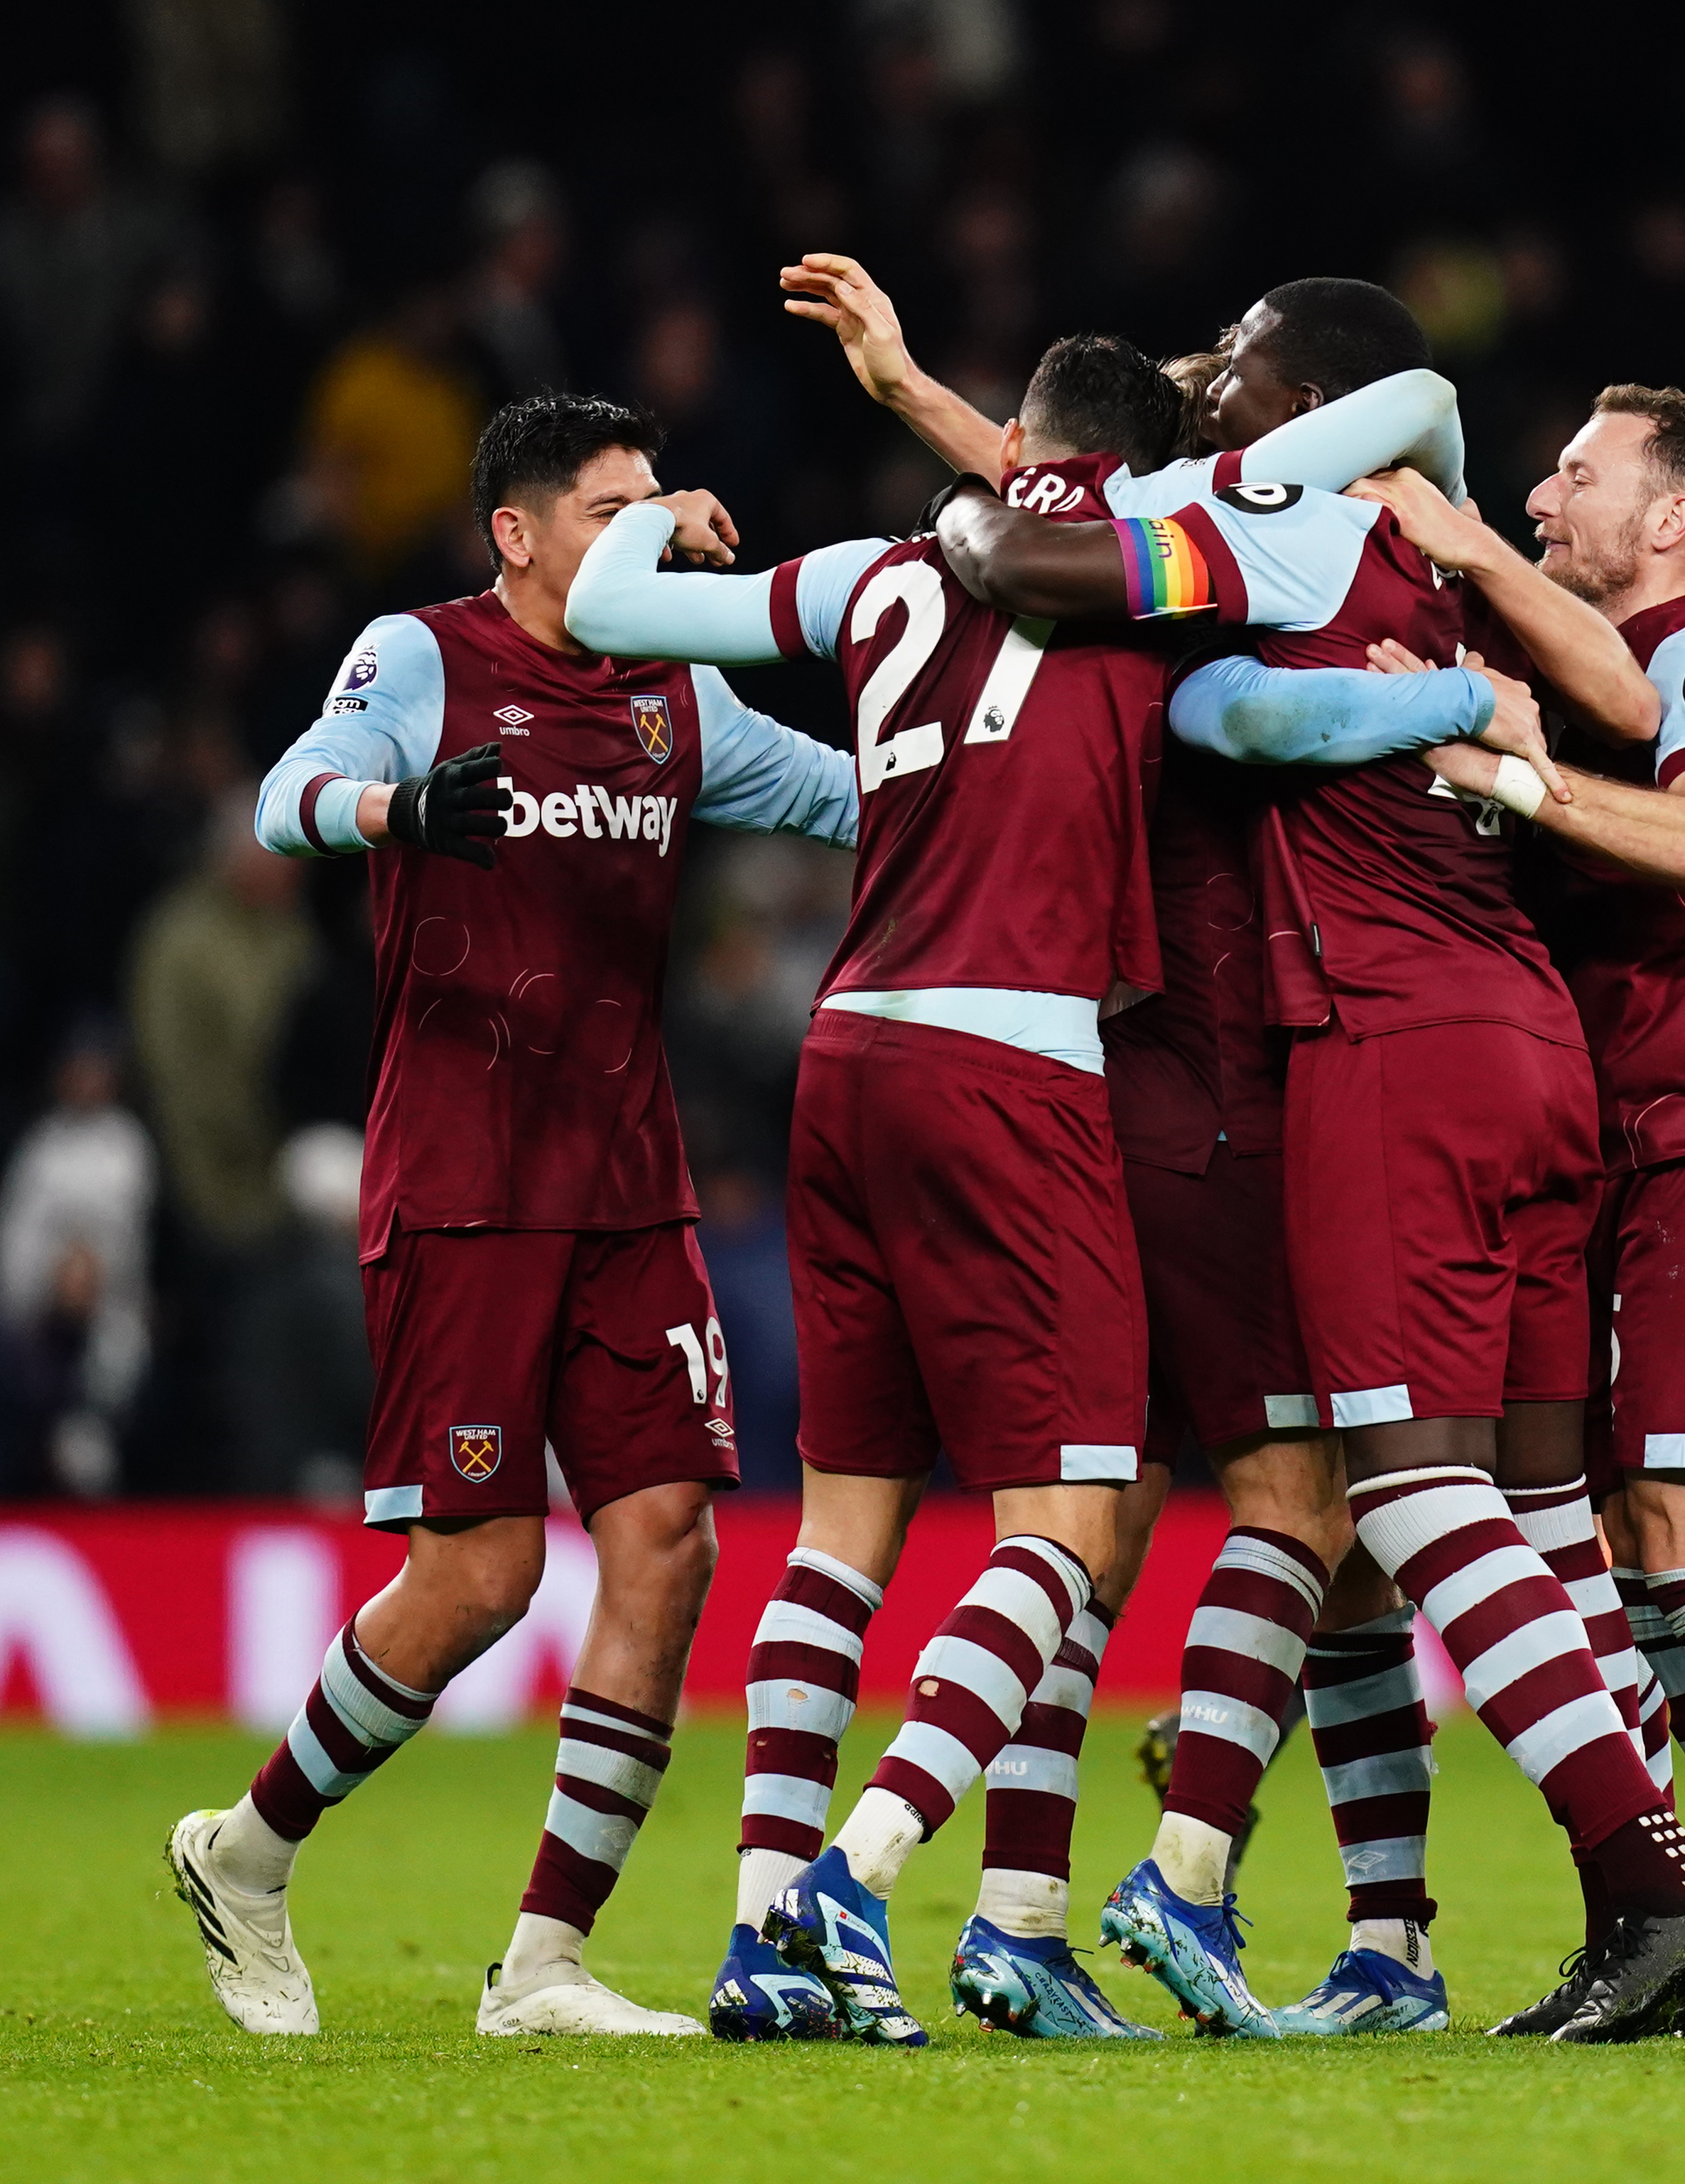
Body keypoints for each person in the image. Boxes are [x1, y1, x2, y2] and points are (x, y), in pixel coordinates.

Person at [567, 318, 1542, 2044]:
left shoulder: (884, 568)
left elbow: (610, 617)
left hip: (844, 1048)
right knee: (1077, 1524)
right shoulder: (1151, 572)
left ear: (1014, 430)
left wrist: (661, 520)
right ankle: (854, 1885)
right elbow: (1271, 673)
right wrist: (1459, 701)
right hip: (1017, 1068)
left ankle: (754, 1934)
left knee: (844, 1534)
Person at [936, 291, 1685, 2046]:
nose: (1209, 383)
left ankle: (1643, 1881)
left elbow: (1088, 601)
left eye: (1235, 360)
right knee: (1526, 1522)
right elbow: (1593, 688)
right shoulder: (1436, 564)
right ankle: (1485, 1920)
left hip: (1385, 1053)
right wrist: (1465, 693)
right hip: (1530, 1048)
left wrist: (962, 498)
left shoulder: (1280, 525)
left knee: (1383, 1500)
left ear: (1299, 395)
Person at [1243, 385, 1685, 2040]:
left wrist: (1512, 775)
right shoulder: (1601, 679)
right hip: (1632, 1150)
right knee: (1636, 1555)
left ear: (1664, 524)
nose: (1542, 488)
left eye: (1579, 471)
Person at [161, 394, 862, 2041]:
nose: (639, 528)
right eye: (606, 507)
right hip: (467, 1183)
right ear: (518, 532)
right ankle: (247, 1852)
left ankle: (543, 1963)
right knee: (476, 1579)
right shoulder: (423, 656)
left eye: (650, 501)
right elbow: (288, 795)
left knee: (669, 1541)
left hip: (629, 1182)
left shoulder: (673, 694)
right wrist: (402, 811)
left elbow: (851, 795)